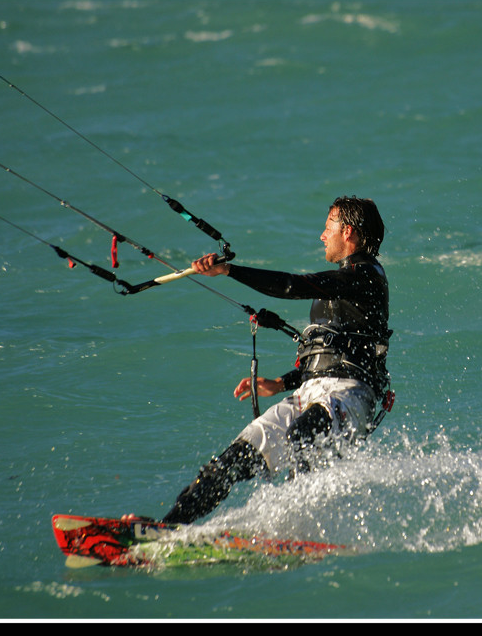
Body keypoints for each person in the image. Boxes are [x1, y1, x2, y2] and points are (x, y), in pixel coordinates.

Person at [157, 195, 391, 524]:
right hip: (310, 394)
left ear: (348, 232)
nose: (322, 236)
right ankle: (167, 528)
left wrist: (228, 270)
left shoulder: (366, 276)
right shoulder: (342, 283)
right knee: (233, 459)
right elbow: (330, 357)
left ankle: (300, 524)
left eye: (328, 228)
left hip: (350, 396)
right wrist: (281, 383)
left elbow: (292, 285)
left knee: (302, 434)